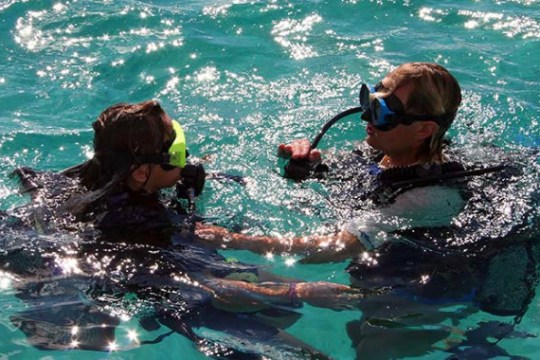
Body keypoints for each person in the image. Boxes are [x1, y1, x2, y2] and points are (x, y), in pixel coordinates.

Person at [7, 100, 362, 357]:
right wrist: (298, 291)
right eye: (177, 151)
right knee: (309, 355)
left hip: (114, 251)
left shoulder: (83, 177)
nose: (187, 156)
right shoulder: (140, 225)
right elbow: (203, 287)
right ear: (142, 172)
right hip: (161, 292)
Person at [197, 62, 466, 263]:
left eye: (382, 113)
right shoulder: (386, 150)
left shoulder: (428, 197)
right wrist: (304, 164)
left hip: (415, 276)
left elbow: (338, 248)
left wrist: (237, 242)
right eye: (370, 101)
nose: (366, 119)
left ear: (423, 130)